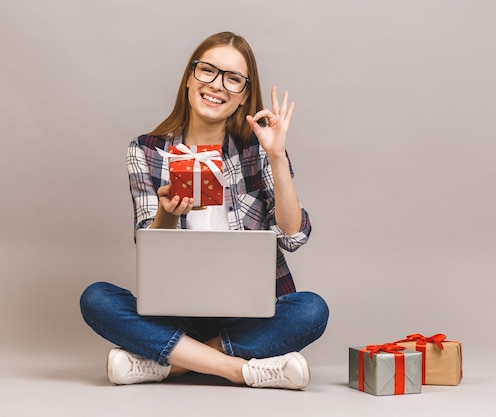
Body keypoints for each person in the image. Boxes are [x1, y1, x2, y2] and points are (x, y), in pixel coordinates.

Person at [79, 31, 329, 390]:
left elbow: (293, 236)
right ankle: (239, 370)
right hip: (174, 313)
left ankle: (169, 363)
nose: (217, 85)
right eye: (208, 71)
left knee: (311, 310)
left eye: (233, 79)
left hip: (249, 313)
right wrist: (167, 213)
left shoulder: (258, 149)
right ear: (189, 77)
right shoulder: (146, 150)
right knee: (96, 298)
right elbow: (150, 246)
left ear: (244, 95)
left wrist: (275, 156)